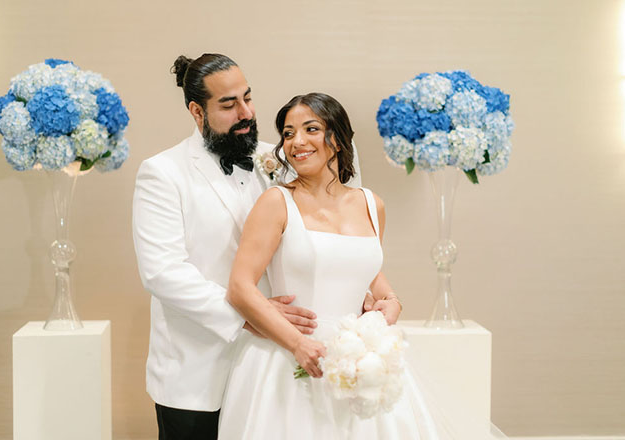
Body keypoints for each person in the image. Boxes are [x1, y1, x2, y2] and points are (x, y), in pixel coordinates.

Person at [217, 92, 508, 439]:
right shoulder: (276, 202)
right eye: (288, 132)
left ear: (337, 139)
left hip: (360, 359)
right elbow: (240, 288)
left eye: (311, 129)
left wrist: (391, 301)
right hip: (289, 358)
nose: (297, 141)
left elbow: (367, 268)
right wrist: (297, 344)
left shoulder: (371, 204)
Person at [132, 54, 324, 440]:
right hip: (196, 376)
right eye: (228, 104)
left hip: (272, 370)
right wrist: (247, 314)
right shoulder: (162, 173)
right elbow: (163, 272)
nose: (246, 112)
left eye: (248, 98)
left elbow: (328, 220)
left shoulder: (278, 159)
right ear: (196, 111)